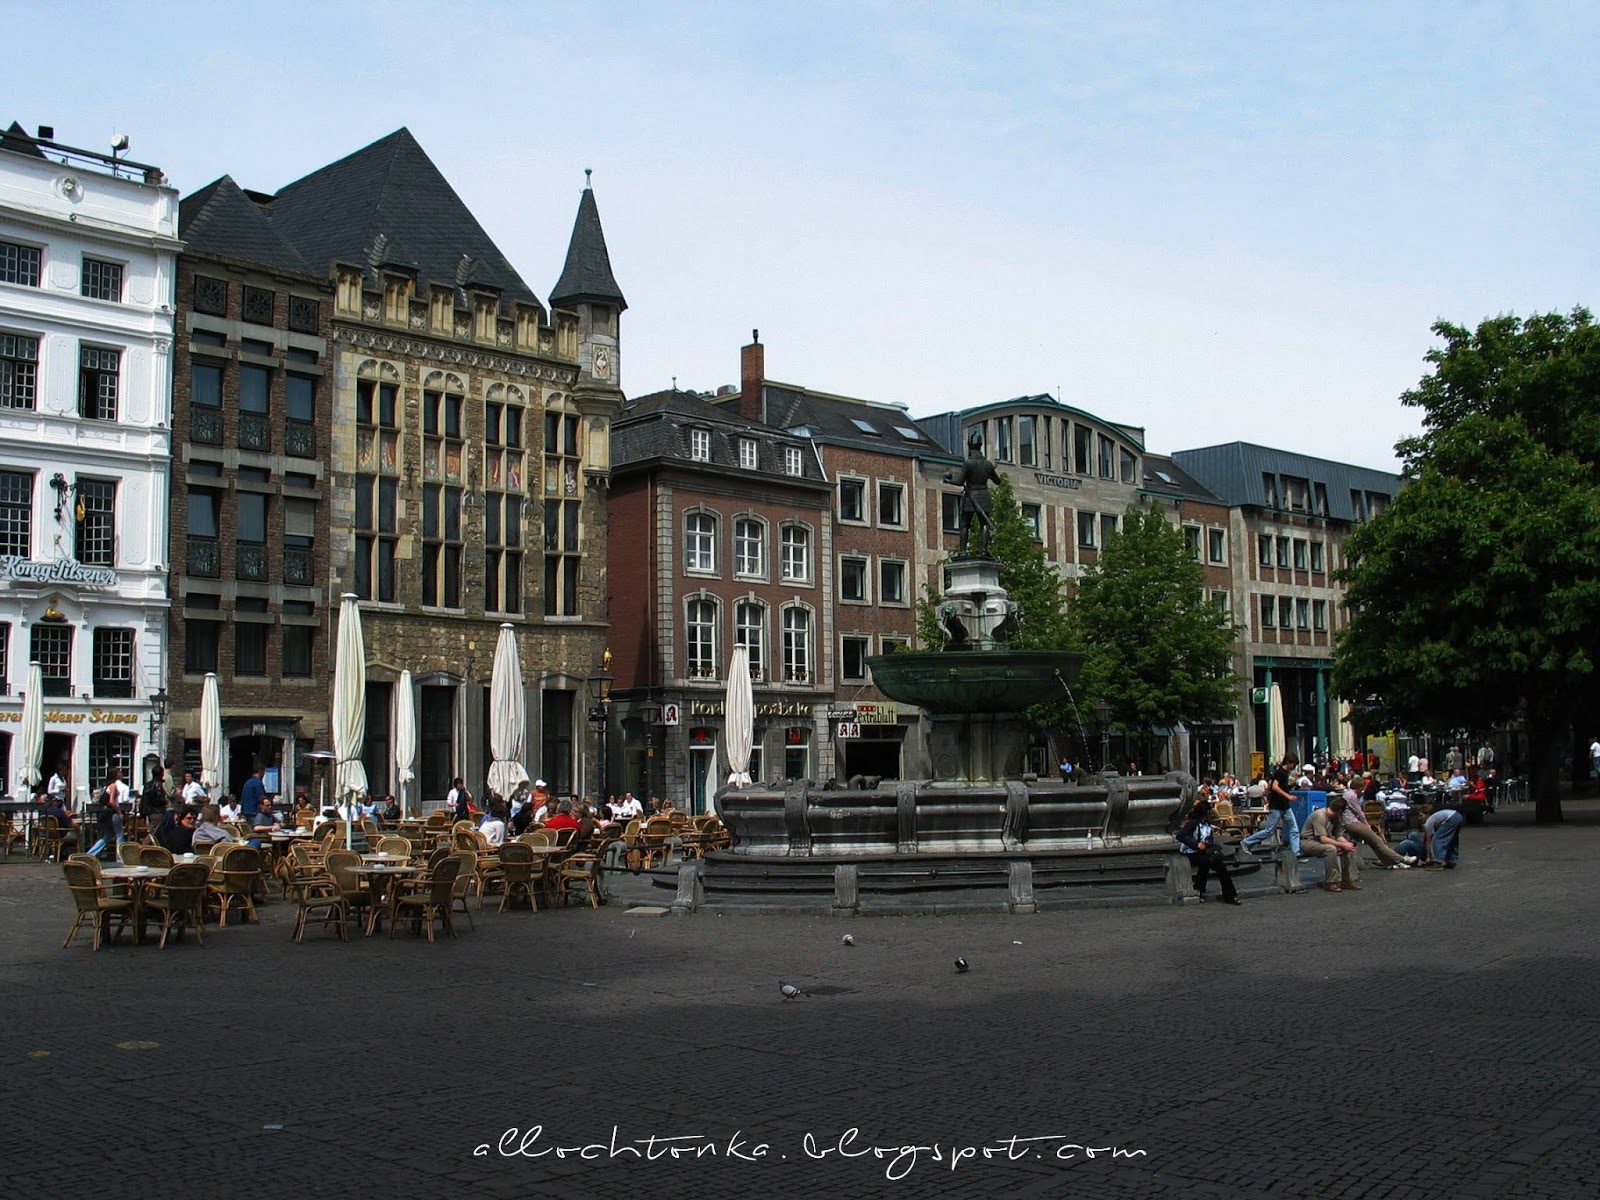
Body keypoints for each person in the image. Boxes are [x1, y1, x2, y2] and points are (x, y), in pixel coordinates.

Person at [1175, 796, 1242, 904]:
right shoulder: (1192, 823)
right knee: (1205, 862)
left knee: (1221, 866)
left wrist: (1207, 842)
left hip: (1203, 852)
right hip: (1190, 853)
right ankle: (1199, 890)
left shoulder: (1207, 825)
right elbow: (1180, 836)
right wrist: (1196, 844)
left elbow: (1209, 837)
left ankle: (1230, 895)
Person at [943, 429, 1000, 554]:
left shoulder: (968, 463)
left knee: (964, 524)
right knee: (984, 524)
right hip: (984, 496)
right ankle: (984, 550)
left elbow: (960, 481)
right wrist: (990, 472)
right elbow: (998, 481)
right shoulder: (987, 464)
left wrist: (949, 479)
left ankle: (963, 551)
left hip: (971, 496)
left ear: (969, 446)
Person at [1240, 753, 1302, 855]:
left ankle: (1296, 852)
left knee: (1294, 829)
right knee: (1269, 831)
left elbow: (1272, 786)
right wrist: (1288, 796)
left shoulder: (1283, 773)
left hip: (1284, 806)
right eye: (1294, 764)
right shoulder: (1281, 773)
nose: (1294, 767)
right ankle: (1246, 842)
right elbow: (1274, 786)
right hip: (1277, 806)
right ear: (1288, 762)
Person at [1301, 795, 1360, 892]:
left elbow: (1338, 835)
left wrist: (1347, 844)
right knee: (1330, 849)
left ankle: (1348, 880)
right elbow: (1323, 838)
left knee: (1349, 849)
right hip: (1309, 841)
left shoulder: (1336, 818)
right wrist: (1342, 845)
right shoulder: (1320, 815)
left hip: (1322, 841)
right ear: (1339, 811)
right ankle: (1331, 882)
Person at [1395, 804, 1465, 869]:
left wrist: (1428, 858)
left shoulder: (1429, 822)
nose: (1419, 818)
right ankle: (1452, 860)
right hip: (1457, 816)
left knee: (1438, 839)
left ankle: (1437, 862)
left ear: (1428, 815)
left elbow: (1429, 841)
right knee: (1453, 840)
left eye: (1421, 815)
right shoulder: (1437, 819)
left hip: (1451, 818)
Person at [86, 768, 128, 860]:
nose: (120, 774)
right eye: (118, 772)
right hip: (113, 812)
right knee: (119, 834)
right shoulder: (113, 786)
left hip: (107, 813)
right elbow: (112, 801)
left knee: (107, 835)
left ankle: (90, 854)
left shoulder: (107, 786)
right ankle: (120, 857)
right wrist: (119, 811)